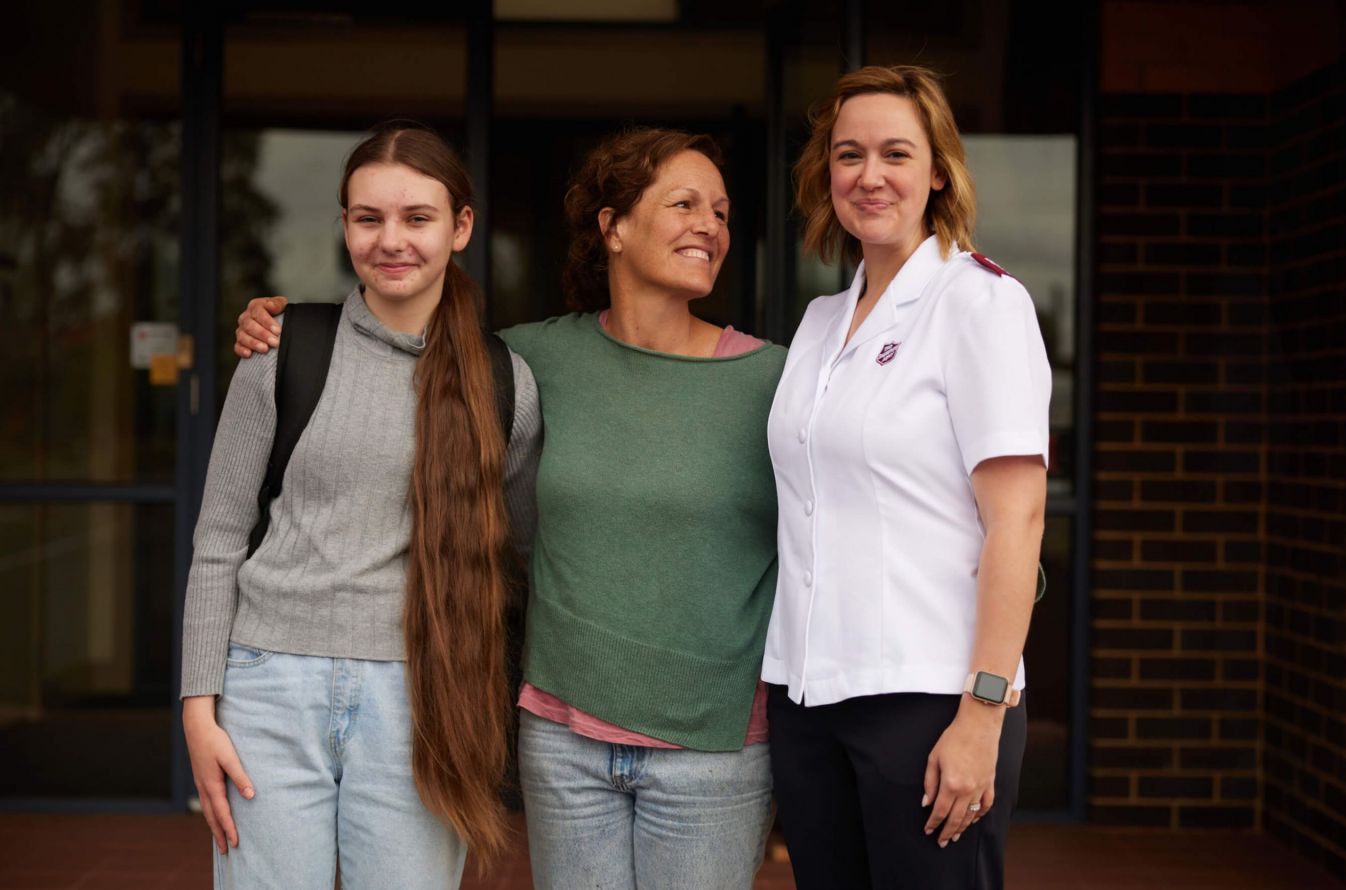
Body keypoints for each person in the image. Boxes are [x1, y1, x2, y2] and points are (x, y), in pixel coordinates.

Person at [232, 128, 783, 890]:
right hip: (563, 737)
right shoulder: (527, 362)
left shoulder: (777, 381)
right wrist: (281, 326)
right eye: (684, 203)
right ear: (612, 226)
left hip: (713, 743)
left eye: (720, 212)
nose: (710, 226)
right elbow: (401, 344)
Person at [183, 124, 541, 889]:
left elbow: (517, 557)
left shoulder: (506, 383)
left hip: (426, 699)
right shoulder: (281, 351)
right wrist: (197, 707)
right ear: (344, 226)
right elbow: (218, 540)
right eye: (368, 218)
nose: (392, 240)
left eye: (418, 217)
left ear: (461, 227)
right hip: (269, 688)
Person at [762, 64, 1050, 889]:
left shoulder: (980, 305)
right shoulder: (820, 323)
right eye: (848, 155)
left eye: (896, 152)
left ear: (937, 171)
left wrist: (982, 712)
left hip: (930, 702)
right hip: (810, 699)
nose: (870, 175)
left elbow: (1018, 520)